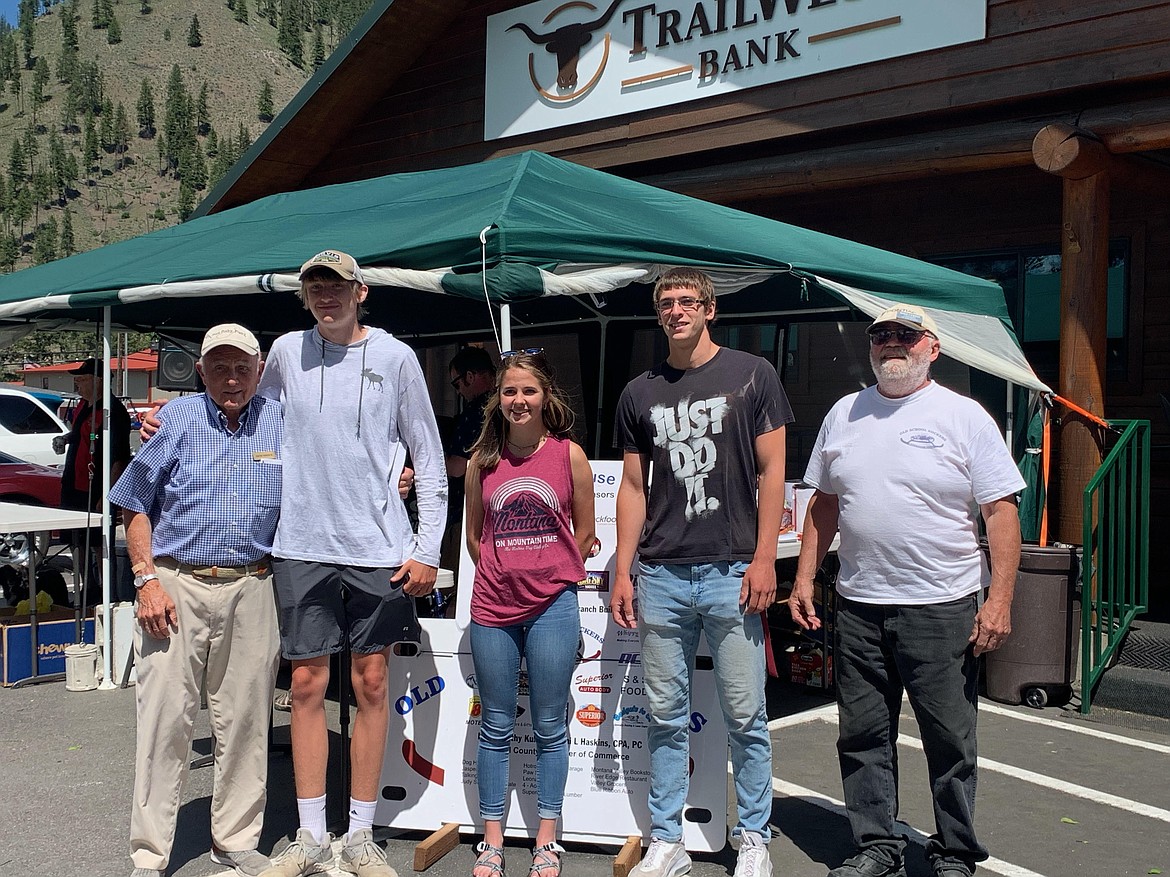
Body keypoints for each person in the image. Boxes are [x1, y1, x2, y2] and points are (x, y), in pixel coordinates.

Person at [789, 304, 1024, 877]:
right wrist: (803, 576)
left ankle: (956, 853)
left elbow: (1000, 512)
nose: (892, 344)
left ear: (931, 347)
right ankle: (877, 846)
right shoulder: (845, 412)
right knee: (862, 733)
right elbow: (823, 503)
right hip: (860, 601)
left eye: (905, 336)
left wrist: (999, 600)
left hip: (942, 603)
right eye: (882, 336)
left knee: (949, 738)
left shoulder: (964, 415)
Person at [259, 249, 447, 877]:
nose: (326, 296)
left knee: (371, 685)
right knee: (307, 686)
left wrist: (426, 549)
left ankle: (360, 837)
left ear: (361, 291)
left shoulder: (395, 357)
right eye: (315, 287)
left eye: (337, 286)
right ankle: (311, 838)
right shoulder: (285, 351)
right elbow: (255, 430)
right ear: (305, 296)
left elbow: (430, 454)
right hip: (301, 545)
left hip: (377, 550)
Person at [610, 267, 792, 877]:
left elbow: (774, 474)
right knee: (664, 715)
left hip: (734, 569)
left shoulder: (752, 375)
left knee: (746, 714)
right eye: (666, 303)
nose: (676, 310)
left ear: (709, 309)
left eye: (688, 300)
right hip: (661, 572)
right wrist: (624, 568)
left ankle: (754, 837)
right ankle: (667, 841)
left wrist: (766, 557)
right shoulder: (639, 392)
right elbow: (633, 485)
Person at [108, 324, 283, 877]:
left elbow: (334, 473)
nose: (231, 379)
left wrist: (392, 480)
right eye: (219, 368)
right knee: (163, 720)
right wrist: (144, 580)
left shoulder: (284, 421)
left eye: (241, 368)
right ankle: (150, 854)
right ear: (202, 372)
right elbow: (133, 503)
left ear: (259, 370)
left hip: (254, 584)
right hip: (174, 585)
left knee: (249, 721)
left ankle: (234, 842)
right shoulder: (177, 420)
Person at [464, 350, 595, 877]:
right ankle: (491, 840)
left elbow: (584, 533)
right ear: (498, 399)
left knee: (549, 726)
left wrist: (544, 573)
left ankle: (546, 838)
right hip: (493, 609)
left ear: (546, 399)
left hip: (553, 610)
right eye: (509, 391)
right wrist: (504, 570)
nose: (518, 401)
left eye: (528, 391)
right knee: (494, 725)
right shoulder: (482, 462)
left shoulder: (569, 456)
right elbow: (474, 536)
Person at [55, 356, 132, 600]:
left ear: (98, 381)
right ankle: (85, 588)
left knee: (99, 544)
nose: (77, 383)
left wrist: (108, 495)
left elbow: (119, 457)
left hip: (96, 488)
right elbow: (82, 434)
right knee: (76, 540)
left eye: (82, 379)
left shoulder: (113, 411)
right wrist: (66, 439)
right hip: (74, 485)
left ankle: (104, 592)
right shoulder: (83, 405)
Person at [441, 346, 496, 573]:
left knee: (455, 579)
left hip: (471, 513)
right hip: (503, 512)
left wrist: (431, 460)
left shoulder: (475, 412)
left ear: (470, 377)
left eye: (457, 384)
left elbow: (457, 467)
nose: (458, 391)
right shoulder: (506, 407)